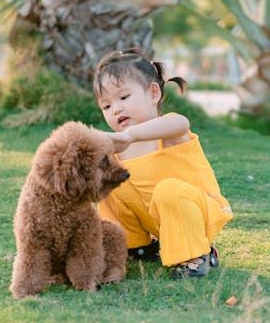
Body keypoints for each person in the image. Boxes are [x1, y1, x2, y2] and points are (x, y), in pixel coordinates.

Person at [93, 48, 233, 279]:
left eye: (124, 97)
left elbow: (181, 123)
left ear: (153, 93)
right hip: (155, 222)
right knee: (110, 181)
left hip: (196, 214)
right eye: (106, 106)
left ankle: (197, 255)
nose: (116, 108)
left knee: (169, 189)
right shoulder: (118, 149)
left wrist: (130, 136)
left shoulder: (167, 129)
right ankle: (132, 245)